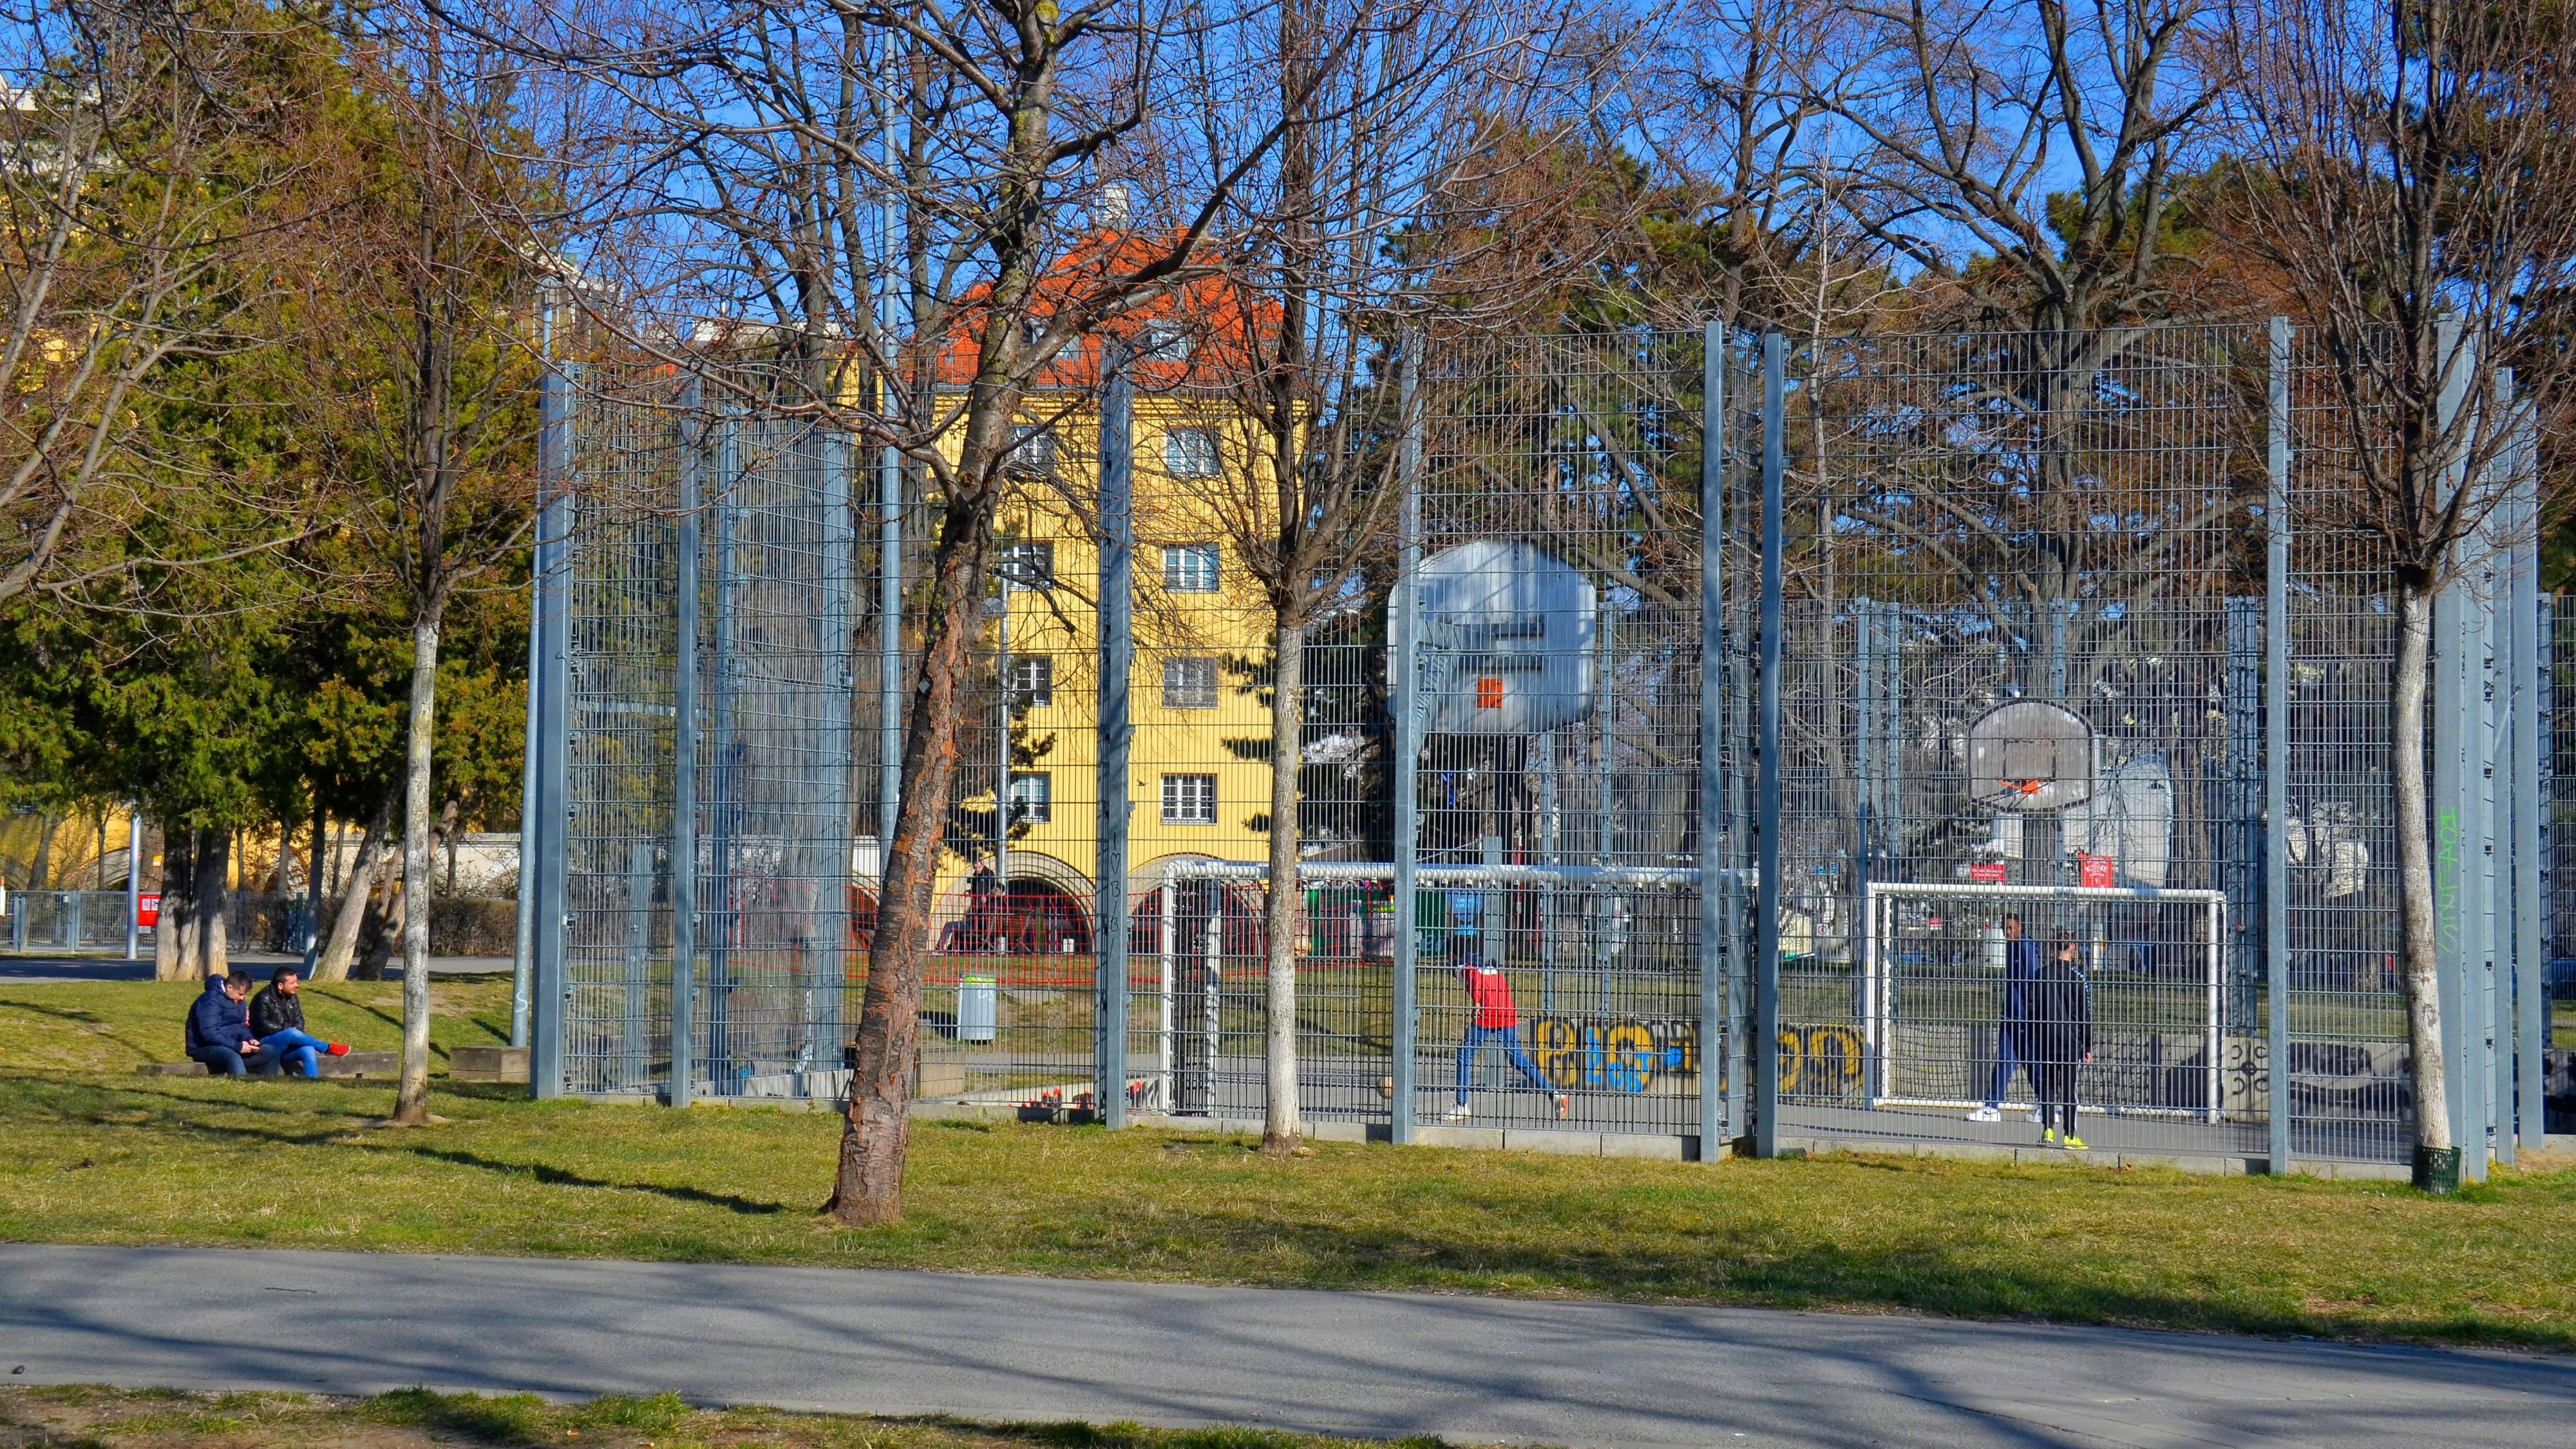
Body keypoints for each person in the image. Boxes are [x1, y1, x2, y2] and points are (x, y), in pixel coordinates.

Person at [1444, 954, 1567, 1122]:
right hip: (1507, 1016)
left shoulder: (1466, 970)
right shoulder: (1495, 973)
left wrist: (1477, 1004)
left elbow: (1475, 984)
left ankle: (1461, 1105)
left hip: (1486, 1017)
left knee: (1464, 1055)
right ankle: (1554, 1093)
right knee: (1517, 1059)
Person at [1966, 913, 2042, 1124]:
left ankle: (2048, 1106)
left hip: (2024, 1019)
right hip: (2011, 1016)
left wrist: (2032, 1014)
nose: (2008, 932)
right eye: (2005, 929)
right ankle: (1992, 1107)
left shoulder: (2025, 949)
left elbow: (2033, 983)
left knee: (2030, 1062)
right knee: (2006, 1061)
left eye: (2012, 928)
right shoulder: (2012, 948)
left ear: (2021, 928)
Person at [2030, 935, 2095, 1149]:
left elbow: (2032, 1010)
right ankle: (2069, 1135)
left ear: (2052, 947)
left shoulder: (2040, 976)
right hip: (2070, 1042)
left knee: (2047, 1085)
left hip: (2045, 1040)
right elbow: (2084, 1015)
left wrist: (2035, 1035)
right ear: (2073, 948)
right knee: (2069, 1089)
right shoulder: (2078, 978)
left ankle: (2048, 1129)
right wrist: (2087, 1046)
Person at [247, 966, 348, 1079]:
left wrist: (297, 1030)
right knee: (291, 1033)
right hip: (266, 1044)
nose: (297, 985)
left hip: (288, 1045)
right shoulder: (262, 998)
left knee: (308, 1049)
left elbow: (300, 1019)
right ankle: (327, 1048)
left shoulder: (293, 997)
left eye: (297, 981)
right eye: (293, 983)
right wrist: (287, 1030)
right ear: (280, 986)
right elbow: (263, 1024)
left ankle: (311, 1083)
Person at [184, 974, 277, 1076]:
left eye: (244, 994)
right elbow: (210, 1034)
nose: (243, 998)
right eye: (240, 994)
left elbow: (242, 1026)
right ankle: (240, 1084)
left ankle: (267, 1082)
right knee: (232, 1057)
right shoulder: (210, 1000)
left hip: (232, 1045)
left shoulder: (237, 999)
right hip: (204, 1047)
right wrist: (238, 1046)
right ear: (229, 988)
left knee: (270, 1051)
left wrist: (249, 1039)